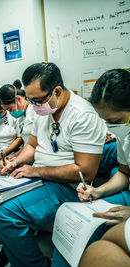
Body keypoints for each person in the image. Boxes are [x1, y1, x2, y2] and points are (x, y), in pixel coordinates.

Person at [0, 62, 106, 267]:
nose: (33, 106)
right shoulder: (42, 110)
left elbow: (85, 170)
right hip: (40, 175)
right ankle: (12, 246)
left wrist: (35, 171)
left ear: (57, 91)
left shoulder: (83, 115)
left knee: (6, 215)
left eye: (37, 100)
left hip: (66, 185)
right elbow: (31, 145)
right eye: (30, 101)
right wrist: (14, 163)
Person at [52, 68, 130, 266]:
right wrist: (98, 191)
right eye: (105, 121)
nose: (110, 127)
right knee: (75, 224)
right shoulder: (124, 133)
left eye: (114, 121)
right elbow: (124, 172)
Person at [0, 81, 35, 150]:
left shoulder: (35, 112)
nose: (11, 113)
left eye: (10, 109)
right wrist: (13, 156)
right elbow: (27, 145)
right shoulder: (22, 116)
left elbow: (34, 146)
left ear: (18, 99)